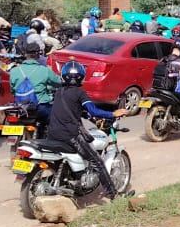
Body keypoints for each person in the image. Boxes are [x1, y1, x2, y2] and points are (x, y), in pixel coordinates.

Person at [44, 60, 123, 197]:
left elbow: (76, 110)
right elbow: (93, 111)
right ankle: (113, 195)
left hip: (52, 134)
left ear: (63, 76)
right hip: (70, 136)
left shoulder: (59, 92)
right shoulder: (80, 93)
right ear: (81, 76)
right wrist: (113, 113)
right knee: (97, 162)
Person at [8, 43, 62, 130]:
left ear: (25, 54)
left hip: (20, 107)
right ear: (38, 54)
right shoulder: (44, 70)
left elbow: (12, 90)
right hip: (40, 107)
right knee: (57, 117)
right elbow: (58, 82)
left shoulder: (14, 71)